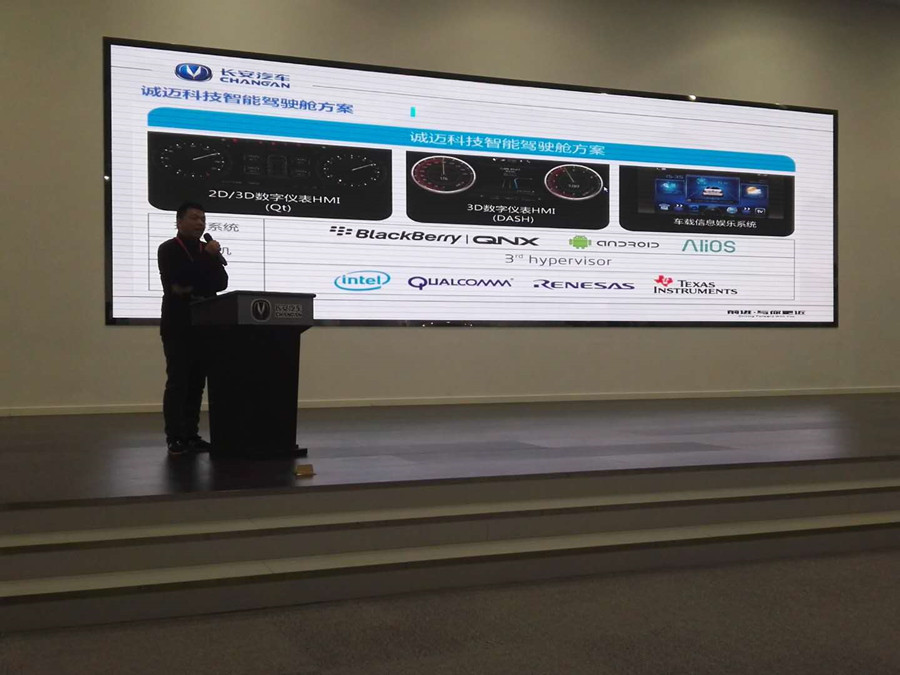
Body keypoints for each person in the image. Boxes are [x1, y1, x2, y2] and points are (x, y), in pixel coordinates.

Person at [158, 201, 228, 457]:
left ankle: (191, 434)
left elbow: (221, 282)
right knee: (179, 382)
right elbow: (178, 281)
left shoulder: (205, 249)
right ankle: (175, 437)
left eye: (203, 218)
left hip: (205, 325)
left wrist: (206, 264)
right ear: (179, 222)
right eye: (195, 218)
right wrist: (206, 260)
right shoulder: (168, 249)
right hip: (178, 325)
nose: (200, 223)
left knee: (197, 383)